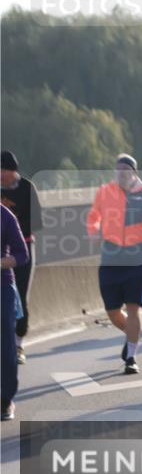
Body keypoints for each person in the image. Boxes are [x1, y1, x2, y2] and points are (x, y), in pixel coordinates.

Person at [86, 154, 142, 374]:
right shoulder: (105, 192)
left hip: (137, 258)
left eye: (126, 171)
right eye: (118, 171)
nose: (121, 175)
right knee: (113, 312)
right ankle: (134, 333)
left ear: (134, 173)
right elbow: (93, 217)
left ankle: (131, 357)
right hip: (111, 257)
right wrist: (94, 232)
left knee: (133, 307)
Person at [1, 151, 41, 365]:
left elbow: (37, 222)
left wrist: (11, 227)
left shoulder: (27, 188)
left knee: (21, 296)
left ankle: (18, 344)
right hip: (1, 251)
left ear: (10, 170)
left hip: (23, 248)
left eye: (1, 170)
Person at [1, 205, 28, 421]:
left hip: (2, 288)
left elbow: (22, 254)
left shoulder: (5, 216)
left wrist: (1, 263)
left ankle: (5, 400)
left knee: (5, 347)